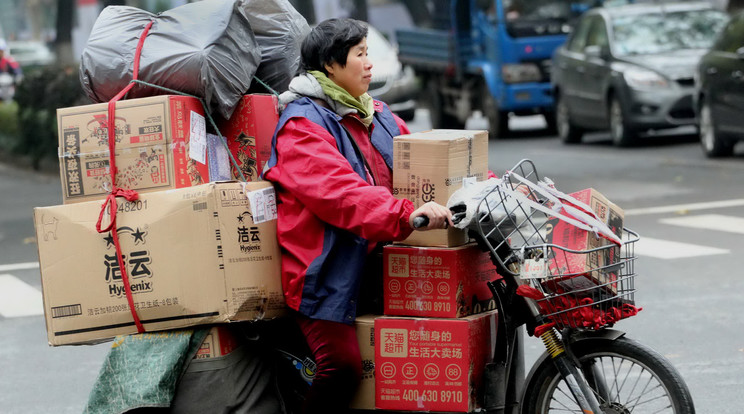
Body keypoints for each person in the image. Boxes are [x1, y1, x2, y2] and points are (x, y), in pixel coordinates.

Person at [262, 18, 453, 414]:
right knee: (342, 366)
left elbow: (428, 161)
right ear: (330, 65)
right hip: (326, 270)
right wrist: (405, 213)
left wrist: (486, 185)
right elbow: (341, 195)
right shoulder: (301, 125)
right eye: (360, 54)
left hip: (375, 257)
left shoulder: (377, 114)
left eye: (369, 53)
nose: (370, 64)